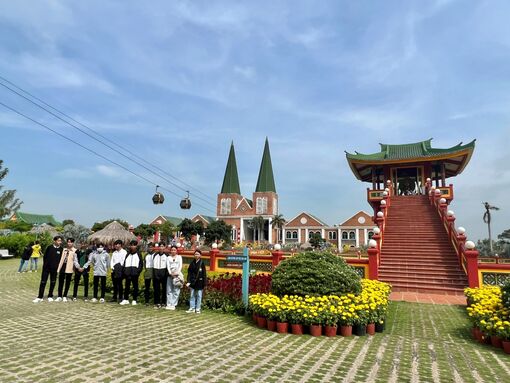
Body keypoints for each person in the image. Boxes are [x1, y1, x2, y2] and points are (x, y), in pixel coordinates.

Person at [33, 236, 64, 303]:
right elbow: (45, 257)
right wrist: (45, 266)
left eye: (60, 241)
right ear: (54, 241)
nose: (60, 242)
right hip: (46, 268)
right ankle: (40, 297)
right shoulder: (49, 247)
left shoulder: (61, 249)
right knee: (43, 282)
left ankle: (50, 295)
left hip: (55, 269)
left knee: (53, 282)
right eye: (58, 241)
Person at [120, 240, 142, 306]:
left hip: (135, 273)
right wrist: (124, 271)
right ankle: (125, 299)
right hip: (127, 273)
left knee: (135, 287)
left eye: (134, 245)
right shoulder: (128, 254)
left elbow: (141, 264)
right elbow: (125, 263)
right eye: (131, 245)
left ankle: (134, 300)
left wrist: (137, 272)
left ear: (136, 246)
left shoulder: (138, 254)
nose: (132, 246)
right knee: (127, 286)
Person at [56, 238, 78, 302]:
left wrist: (74, 270)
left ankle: (65, 296)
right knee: (60, 282)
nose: (69, 243)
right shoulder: (64, 249)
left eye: (70, 242)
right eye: (68, 242)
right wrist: (58, 269)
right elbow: (61, 259)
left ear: (73, 243)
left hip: (70, 268)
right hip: (63, 267)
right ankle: (59, 296)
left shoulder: (75, 250)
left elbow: (75, 261)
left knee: (67, 283)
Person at [186, 249, 207, 314]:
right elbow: (189, 273)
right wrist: (188, 281)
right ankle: (192, 308)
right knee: (192, 295)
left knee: (199, 295)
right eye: (195, 254)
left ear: (200, 255)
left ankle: (198, 308)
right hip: (192, 281)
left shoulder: (202, 263)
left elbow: (204, 274)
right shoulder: (192, 263)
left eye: (198, 254)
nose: (196, 255)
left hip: (200, 282)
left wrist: (204, 283)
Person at [166, 245, 183, 310]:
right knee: (169, 290)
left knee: (176, 290)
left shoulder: (179, 257)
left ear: (176, 251)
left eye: (174, 250)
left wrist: (176, 273)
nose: (173, 251)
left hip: (177, 275)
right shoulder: (168, 257)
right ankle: (169, 304)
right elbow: (168, 266)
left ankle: (173, 304)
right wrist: (170, 273)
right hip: (170, 275)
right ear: (170, 251)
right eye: (172, 250)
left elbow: (180, 266)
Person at [152, 243, 167, 308]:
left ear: (164, 247)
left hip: (164, 274)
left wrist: (166, 273)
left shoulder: (167, 255)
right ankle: (156, 302)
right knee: (156, 289)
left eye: (162, 246)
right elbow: (153, 264)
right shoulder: (155, 255)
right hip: (156, 273)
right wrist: (154, 273)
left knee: (164, 289)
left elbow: (168, 265)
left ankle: (163, 302)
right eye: (160, 246)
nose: (161, 247)